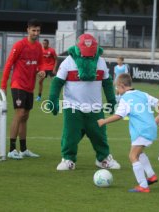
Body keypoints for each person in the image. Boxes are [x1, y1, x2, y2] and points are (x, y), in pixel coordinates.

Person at [48, 33, 120, 171]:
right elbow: (57, 82)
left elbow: (107, 82)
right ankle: (68, 159)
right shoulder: (68, 62)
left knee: (99, 134)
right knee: (71, 134)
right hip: (72, 105)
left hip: (95, 107)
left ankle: (103, 158)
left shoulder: (101, 61)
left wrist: (111, 100)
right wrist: (53, 100)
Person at [98, 73, 159, 193]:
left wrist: (104, 121)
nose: (116, 90)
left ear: (122, 85)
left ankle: (143, 185)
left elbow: (119, 115)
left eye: (117, 87)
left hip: (141, 130)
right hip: (151, 127)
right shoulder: (142, 93)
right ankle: (151, 176)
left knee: (132, 156)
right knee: (139, 153)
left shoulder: (125, 99)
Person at [0, 19, 46, 159]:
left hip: (29, 86)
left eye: (38, 31)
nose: (35, 33)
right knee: (19, 114)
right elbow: (8, 64)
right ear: (28, 30)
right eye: (33, 30)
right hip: (18, 84)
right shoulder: (19, 45)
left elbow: (41, 64)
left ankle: (23, 149)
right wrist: (3, 86)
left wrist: (42, 71)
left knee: (25, 116)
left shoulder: (38, 47)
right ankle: (12, 149)